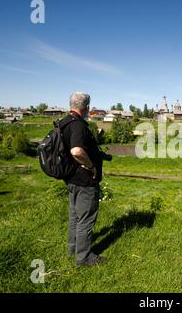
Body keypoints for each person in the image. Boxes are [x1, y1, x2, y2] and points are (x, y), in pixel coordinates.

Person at [61, 92, 112, 267]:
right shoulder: (78, 125)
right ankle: (83, 258)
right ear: (87, 107)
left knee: (75, 215)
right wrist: (91, 166)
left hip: (71, 179)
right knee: (86, 219)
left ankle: (72, 249)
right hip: (84, 180)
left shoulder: (64, 122)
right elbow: (76, 151)